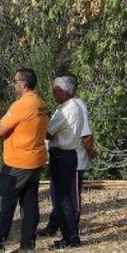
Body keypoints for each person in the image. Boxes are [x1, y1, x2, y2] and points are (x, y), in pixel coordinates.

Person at [0, 68, 49, 253]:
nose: (13, 85)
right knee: (30, 203)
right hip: (35, 160)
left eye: (15, 82)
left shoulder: (21, 105)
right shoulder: (41, 103)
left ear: (23, 84)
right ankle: (28, 244)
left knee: (4, 203)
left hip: (17, 162)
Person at [38, 74, 96, 240]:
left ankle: (71, 233)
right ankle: (62, 229)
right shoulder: (66, 106)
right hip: (65, 154)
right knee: (61, 196)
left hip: (68, 154)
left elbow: (86, 135)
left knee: (68, 198)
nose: (53, 94)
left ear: (67, 91)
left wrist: (91, 150)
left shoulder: (73, 107)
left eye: (56, 90)